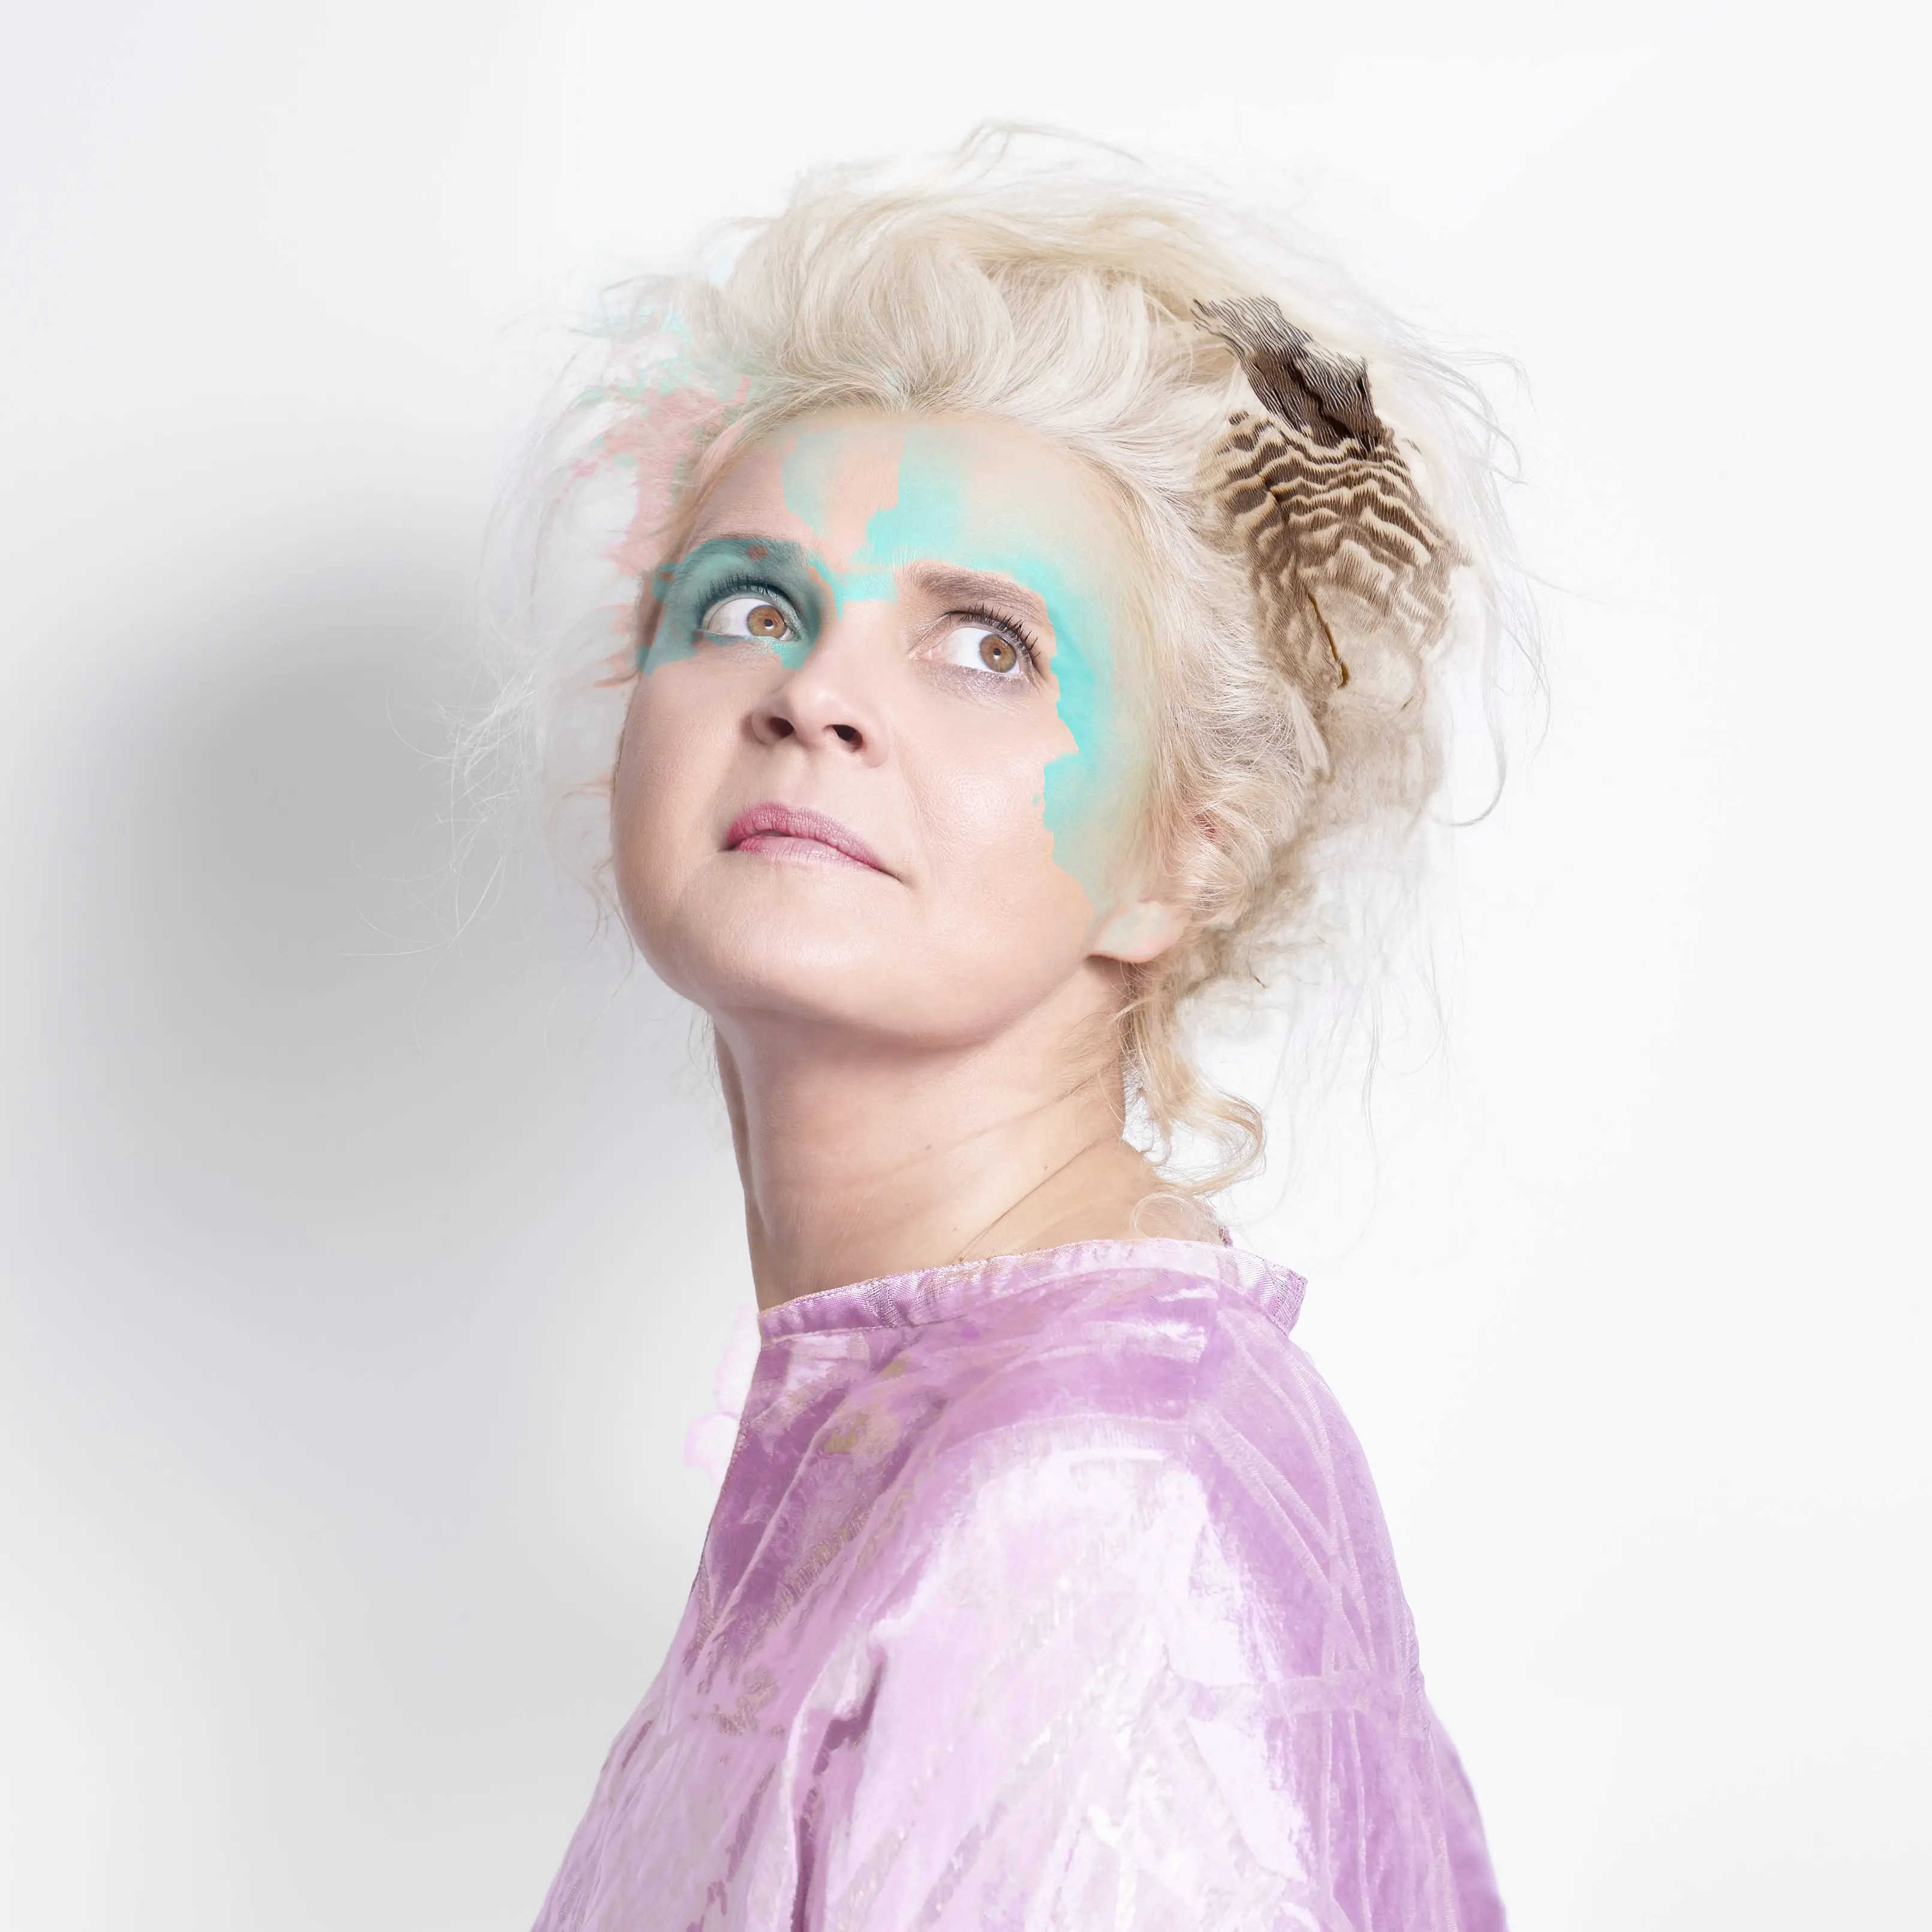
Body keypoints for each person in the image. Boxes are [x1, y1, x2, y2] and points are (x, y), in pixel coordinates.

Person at [498, 132, 1515, 1931]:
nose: (812, 691)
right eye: (748, 606)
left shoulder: (1084, 1511)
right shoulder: (931, 1447)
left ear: (1180, 855)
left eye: (985, 645)